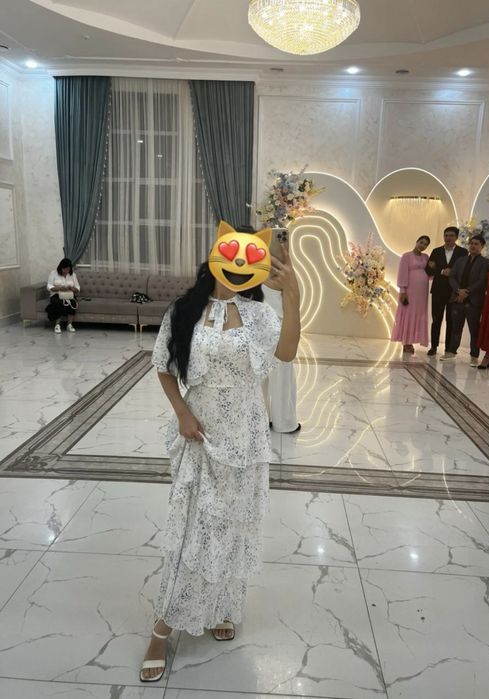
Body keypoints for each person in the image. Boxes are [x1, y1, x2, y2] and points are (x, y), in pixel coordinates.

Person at [140, 225, 300, 683]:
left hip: (246, 437)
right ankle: (162, 629)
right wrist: (183, 414)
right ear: (216, 254)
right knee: (191, 532)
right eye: (232, 254)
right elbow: (163, 367)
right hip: (200, 433)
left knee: (233, 526)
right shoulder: (184, 310)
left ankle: (223, 605)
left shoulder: (258, 314)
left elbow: (287, 352)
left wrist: (292, 294)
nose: (240, 265)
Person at [440, 235, 489, 366]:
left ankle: (474, 355)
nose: (473, 246)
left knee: (474, 330)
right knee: (455, 327)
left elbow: (482, 281)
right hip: (457, 298)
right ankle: (451, 352)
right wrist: (459, 290)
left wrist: (467, 292)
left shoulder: (485, 263)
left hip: (473, 301)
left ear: (482, 246)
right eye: (471, 243)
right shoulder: (460, 260)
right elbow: (452, 277)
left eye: (476, 244)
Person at [425, 226, 468, 356]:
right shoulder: (436, 251)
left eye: (451, 235)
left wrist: (452, 272)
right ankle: (433, 346)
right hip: (438, 290)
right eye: (446, 235)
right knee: (436, 319)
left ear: (456, 237)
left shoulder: (463, 252)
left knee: (451, 320)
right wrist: (442, 271)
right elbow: (429, 269)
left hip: (454, 291)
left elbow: (464, 271)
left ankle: (448, 348)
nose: (448, 238)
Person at [263, 286, 301, 433]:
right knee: (282, 377)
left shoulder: (249, 271)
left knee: (258, 375)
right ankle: (284, 422)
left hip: (256, 324)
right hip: (278, 326)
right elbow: (291, 299)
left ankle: (260, 419)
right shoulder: (283, 272)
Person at [391, 235, 431, 353]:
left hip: (422, 293)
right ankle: (406, 342)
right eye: (421, 242)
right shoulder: (406, 256)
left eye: (425, 244)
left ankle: (412, 340)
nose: (422, 245)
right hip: (410, 291)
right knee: (408, 314)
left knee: (419, 315)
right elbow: (402, 273)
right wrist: (403, 291)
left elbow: (430, 273)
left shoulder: (426, 257)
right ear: (417, 241)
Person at [46, 258, 80, 333]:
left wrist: (71, 288)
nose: (66, 271)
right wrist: (59, 288)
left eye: (68, 269)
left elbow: (77, 288)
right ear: (61, 267)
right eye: (65, 269)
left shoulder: (73, 275)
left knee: (73, 303)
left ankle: (69, 325)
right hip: (56, 294)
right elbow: (49, 286)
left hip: (69, 294)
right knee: (59, 303)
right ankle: (57, 325)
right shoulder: (53, 273)